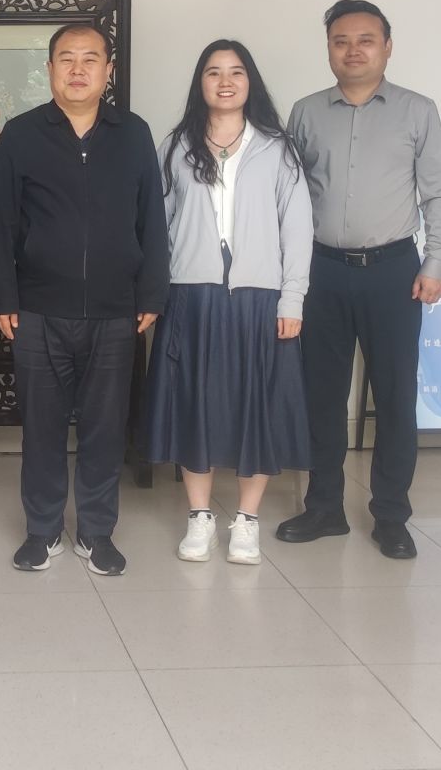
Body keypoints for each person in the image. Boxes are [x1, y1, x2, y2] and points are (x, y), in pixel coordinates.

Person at [0, 22, 169, 578]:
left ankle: (96, 532)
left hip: (116, 311)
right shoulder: (22, 134)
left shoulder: (132, 133)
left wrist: (151, 291)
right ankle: (42, 532)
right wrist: (3, 298)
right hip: (38, 309)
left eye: (91, 59)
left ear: (108, 70)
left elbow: (152, 219)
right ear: (49, 69)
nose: (78, 69)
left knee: (104, 428)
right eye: (67, 58)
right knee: (40, 429)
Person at [279, 0, 441, 561]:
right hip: (322, 270)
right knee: (321, 395)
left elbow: (437, 193)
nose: (352, 50)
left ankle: (392, 516)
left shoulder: (418, 111)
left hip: (394, 272)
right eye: (341, 41)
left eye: (365, 40)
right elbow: (289, 196)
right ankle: (324, 507)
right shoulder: (306, 112)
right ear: (329, 49)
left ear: (387, 47)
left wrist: (436, 261)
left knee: (395, 397)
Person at [145, 40, 312, 566]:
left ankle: (247, 520)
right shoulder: (176, 146)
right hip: (191, 295)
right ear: (200, 83)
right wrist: (154, 292)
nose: (225, 81)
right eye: (213, 72)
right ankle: (199, 517)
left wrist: (292, 299)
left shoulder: (277, 148)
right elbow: (156, 227)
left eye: (236, 72)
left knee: (255, 406)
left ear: (250, 81)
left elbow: (297, 227)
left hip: (260, 297)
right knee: (194, 403)